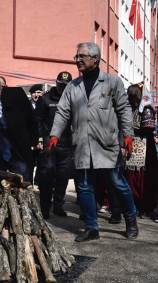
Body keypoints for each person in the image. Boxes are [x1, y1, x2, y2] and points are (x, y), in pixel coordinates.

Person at [50, 42, 138, 242]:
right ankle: (91, 227)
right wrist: (55, 134)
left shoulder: (112, 82)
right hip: (82, 143)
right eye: (77, 56)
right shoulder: (73, 86)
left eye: (83, 56)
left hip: (106, 143)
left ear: (95, 59)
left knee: (117, 183)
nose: (78, 59)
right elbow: (63, 111)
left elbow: (124, 109)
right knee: (83, 186)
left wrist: (128, 135)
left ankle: (131, 219)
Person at [35, 71, 73, 219]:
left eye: (66, 86)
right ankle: (45, 208)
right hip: (49, 145)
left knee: (63, 177)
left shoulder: (72, 100)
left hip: (66, 144)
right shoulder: (45, 99)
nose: (62, 88)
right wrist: (39, 139)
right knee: (47, 176)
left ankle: (58, 206)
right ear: (56, 83)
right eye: (61, 85)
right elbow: (37, 121)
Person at [125, 84, 158, 218]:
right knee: (131, 177)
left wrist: (133, 130)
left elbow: (148, 128)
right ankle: (134, 205)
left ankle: (145, 206)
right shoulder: (130, 108)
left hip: (145, 148)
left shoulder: (146, 108)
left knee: (144, 178)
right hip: (133, 147)